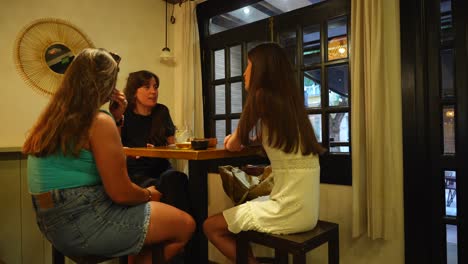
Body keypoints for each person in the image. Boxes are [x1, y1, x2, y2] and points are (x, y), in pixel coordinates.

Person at [23, 48, 195, 264]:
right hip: (84, 222)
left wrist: (115, 117)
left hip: (52, 223)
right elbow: (121, 193)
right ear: (104, 83)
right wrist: (148, 194)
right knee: (185, 225)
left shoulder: (55, 117)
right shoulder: (99, 121)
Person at [203, 43, 326, 264]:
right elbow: (275, 144)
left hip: (288, 209)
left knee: (211, 227)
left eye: (249, 65)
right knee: (242, 210)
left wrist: (233, 138)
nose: (244, 73)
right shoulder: (291, 107)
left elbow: (232, 145)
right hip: (306, 210)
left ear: (261, 70)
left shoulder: (260, 97)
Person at [115, 70, 191, 214]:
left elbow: (172, 146)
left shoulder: (162, 111)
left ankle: (188, 230)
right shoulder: (124, 114)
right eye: (147, 87)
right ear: (134, 91)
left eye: (155, 87)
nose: (153, 91)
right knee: (162, 187)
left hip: (162, 168)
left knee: (177, 178)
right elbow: (117, 147)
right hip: (136, 172)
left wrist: (158, 150)